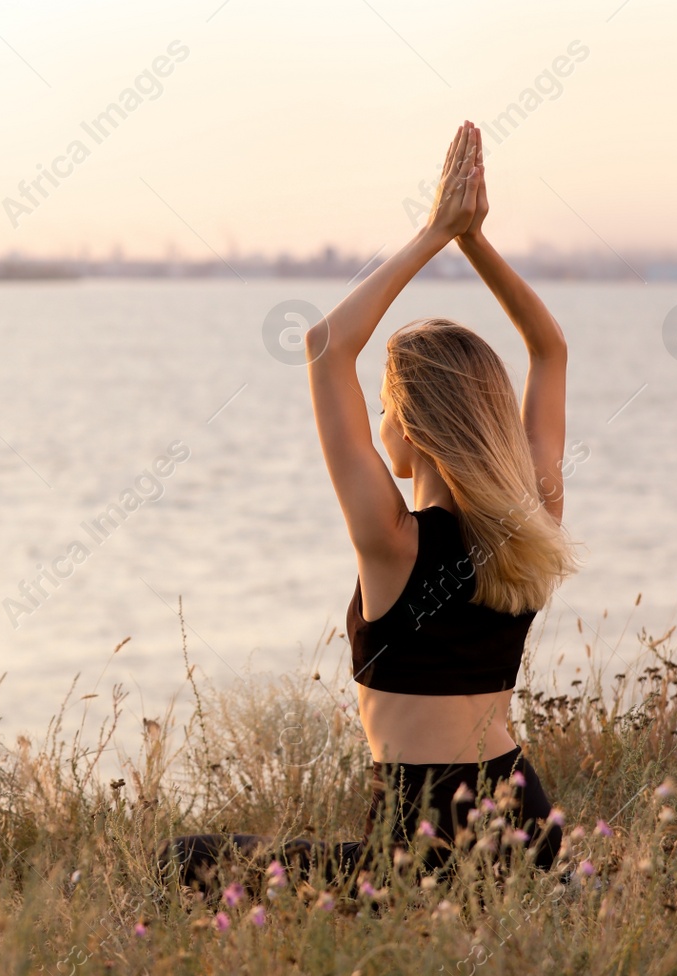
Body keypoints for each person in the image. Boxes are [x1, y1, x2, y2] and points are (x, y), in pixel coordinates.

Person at [161, 121, 578, 896]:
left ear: (409, 427)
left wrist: (437, 232)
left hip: (426, 857)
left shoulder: (392, 544)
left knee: (178, 861)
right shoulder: (533, 524)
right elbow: (549, 349)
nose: (377, 424)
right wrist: (474, 242)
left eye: (384, 408)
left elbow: (325, 345)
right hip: (527, 830)